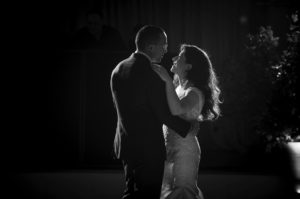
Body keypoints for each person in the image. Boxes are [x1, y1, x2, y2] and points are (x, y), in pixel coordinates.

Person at [110, 26, 197, 199]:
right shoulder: (151, 73)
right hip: (148, 151)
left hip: (126, 145)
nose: (166, 49)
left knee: (130, 193)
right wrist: (188, 128)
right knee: (148, 195)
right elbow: (163, 114)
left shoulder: (118, 69)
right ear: (150, 47)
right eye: (163, 45)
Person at [153, 44, 221, 199]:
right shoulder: (178, 89)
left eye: (180, 56)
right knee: (167, 193)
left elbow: (177, 110)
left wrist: (166, 79)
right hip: (170, 149)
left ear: (189, 66)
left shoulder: (194, 92)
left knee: (182, 192)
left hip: (185, 152)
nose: (174, 58)